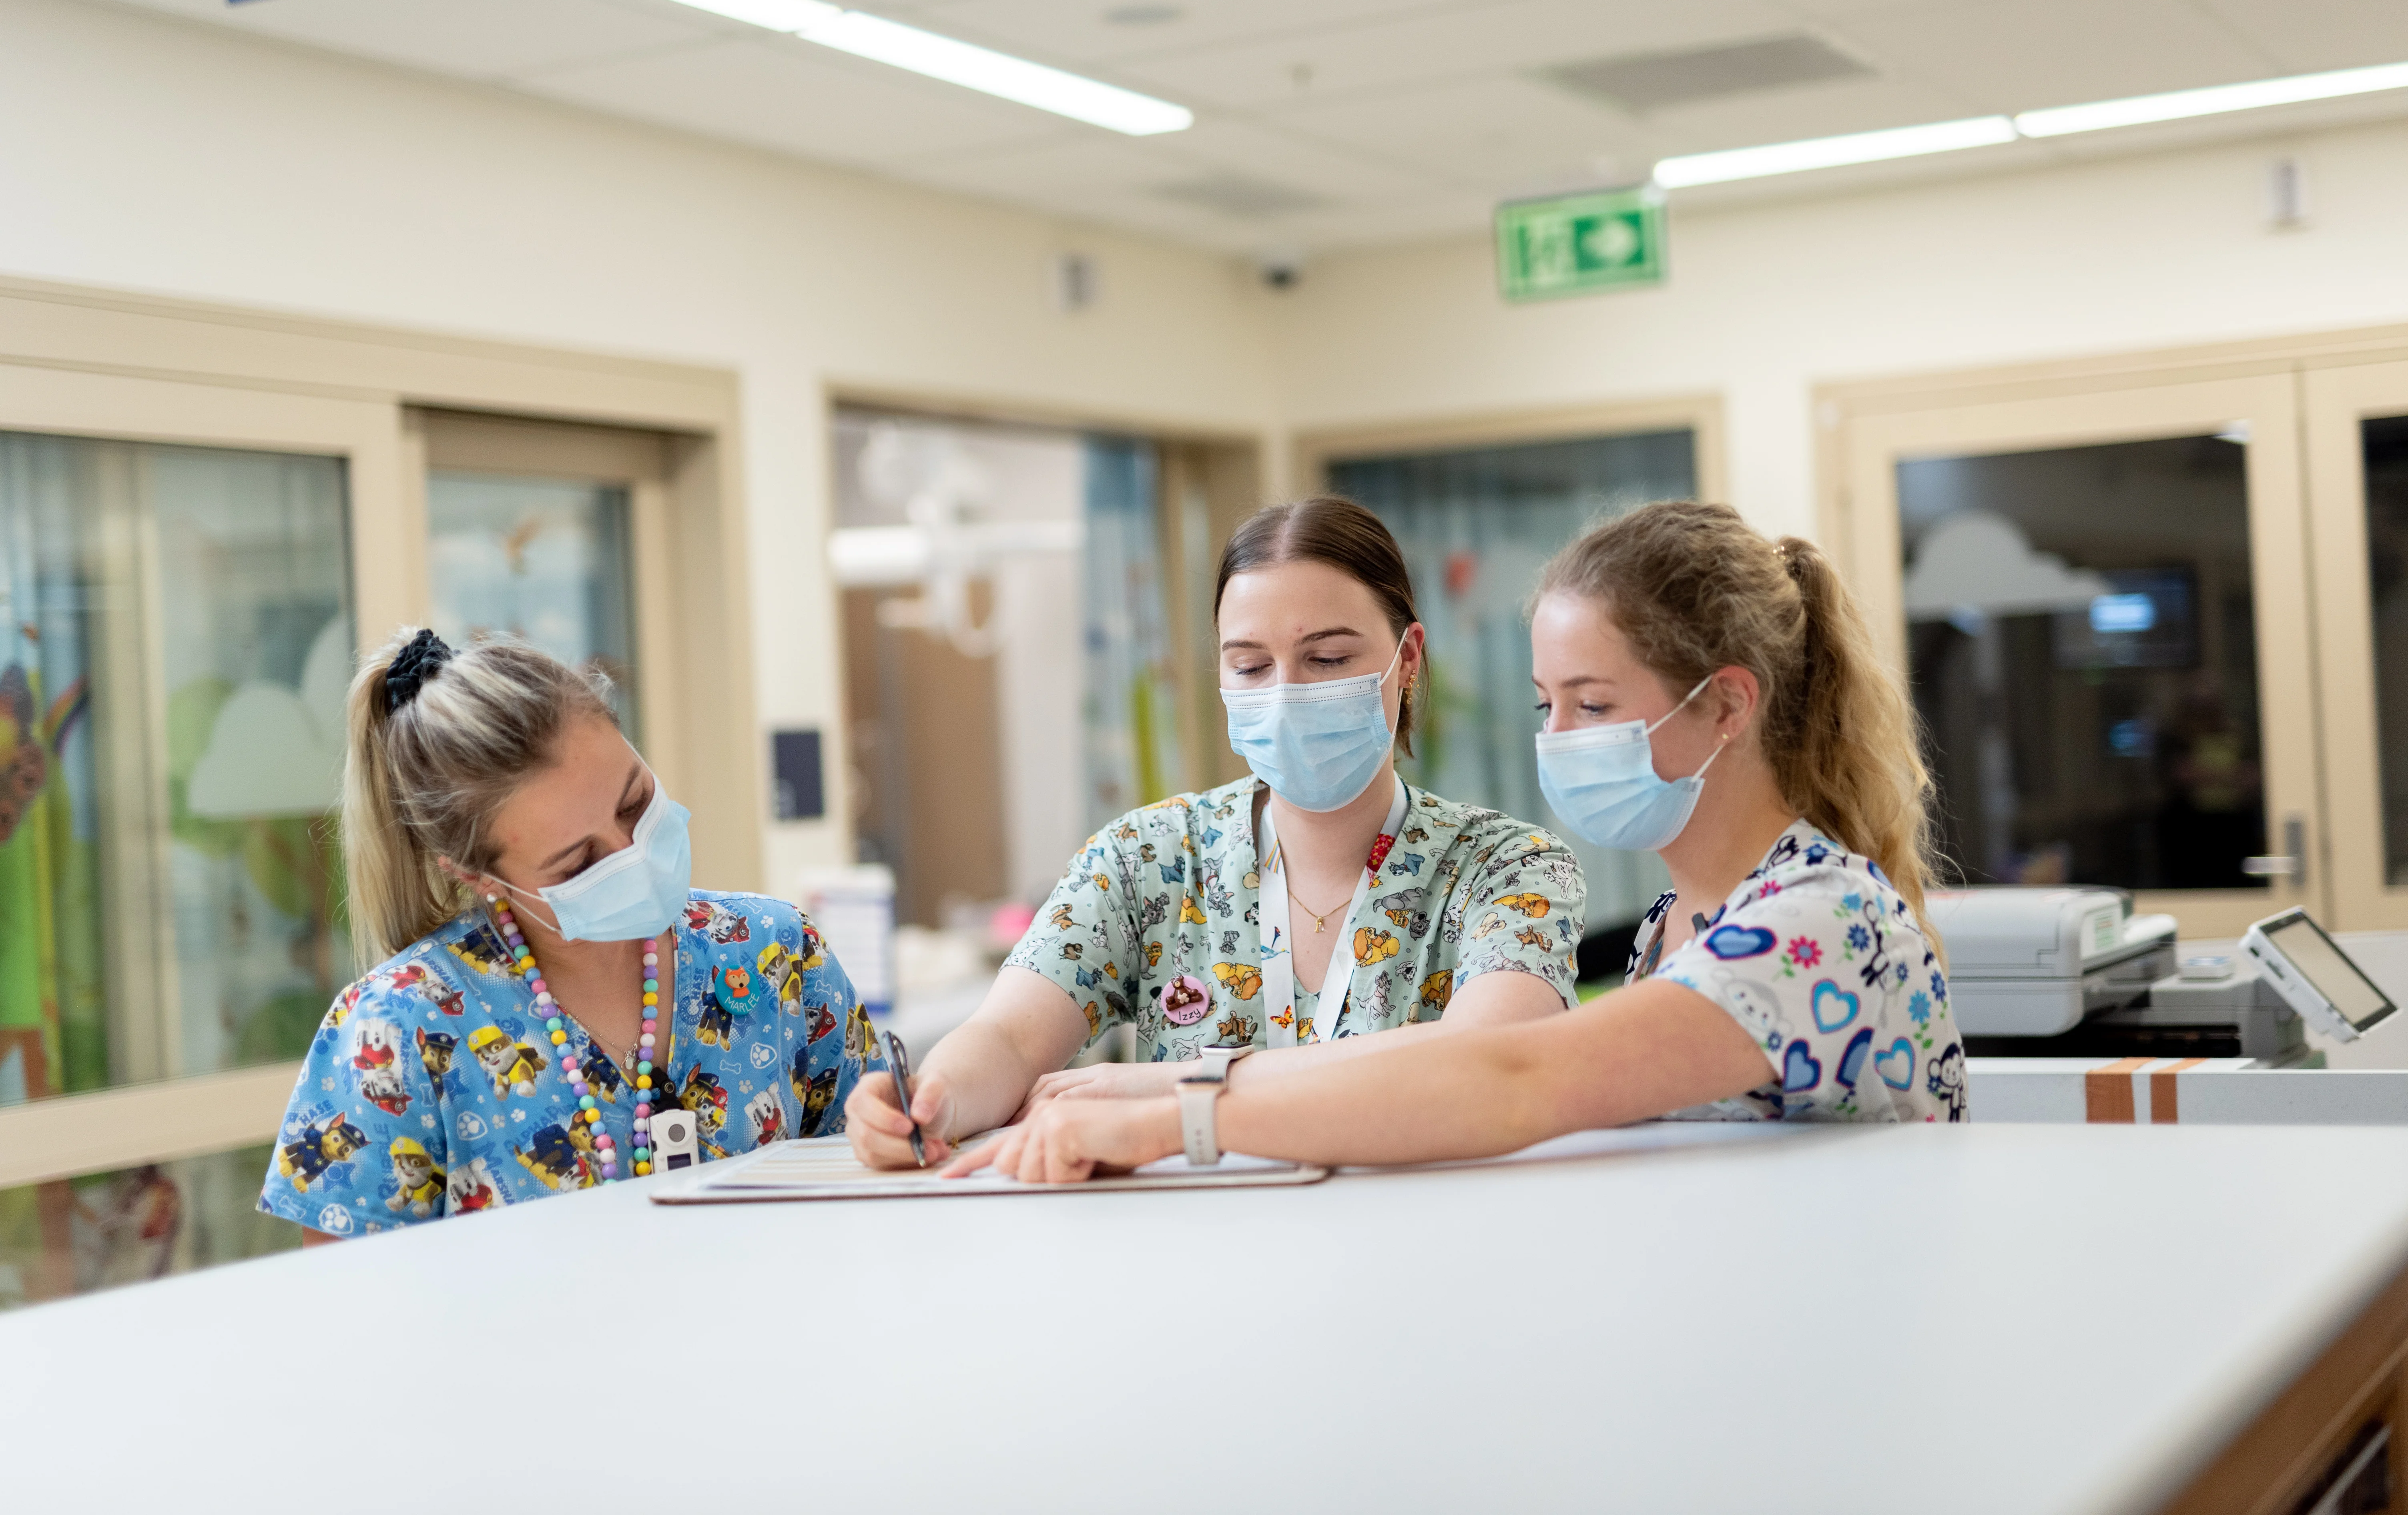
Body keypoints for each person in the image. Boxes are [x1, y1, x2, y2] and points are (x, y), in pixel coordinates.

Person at [962, 501, 1964, 1182]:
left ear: (1726, 705)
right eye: (1546, 703)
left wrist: (1173, 1110)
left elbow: (1512, 1073)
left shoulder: (1818, 921)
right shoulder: (1686, 924)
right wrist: (1158, 1083)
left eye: (1592, 704)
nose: (1556, 741)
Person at [847, 497, 1585, 1168]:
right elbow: (1008, 1040)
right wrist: (930, 1098)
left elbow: (1487, 1058)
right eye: (1251, 665)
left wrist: (1174, 1087)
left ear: (1409, 660)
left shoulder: (1507, 870)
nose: (1287, 693)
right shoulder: (1147, 861)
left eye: (1328, 659)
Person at [259, 629, 875, 1240]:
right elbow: (345, 1307)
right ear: (476, 875)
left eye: (634, 803)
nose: (632, 853)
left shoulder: (775, 953)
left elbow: (880, 1182)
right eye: (579, 864)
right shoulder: (400, 1029)